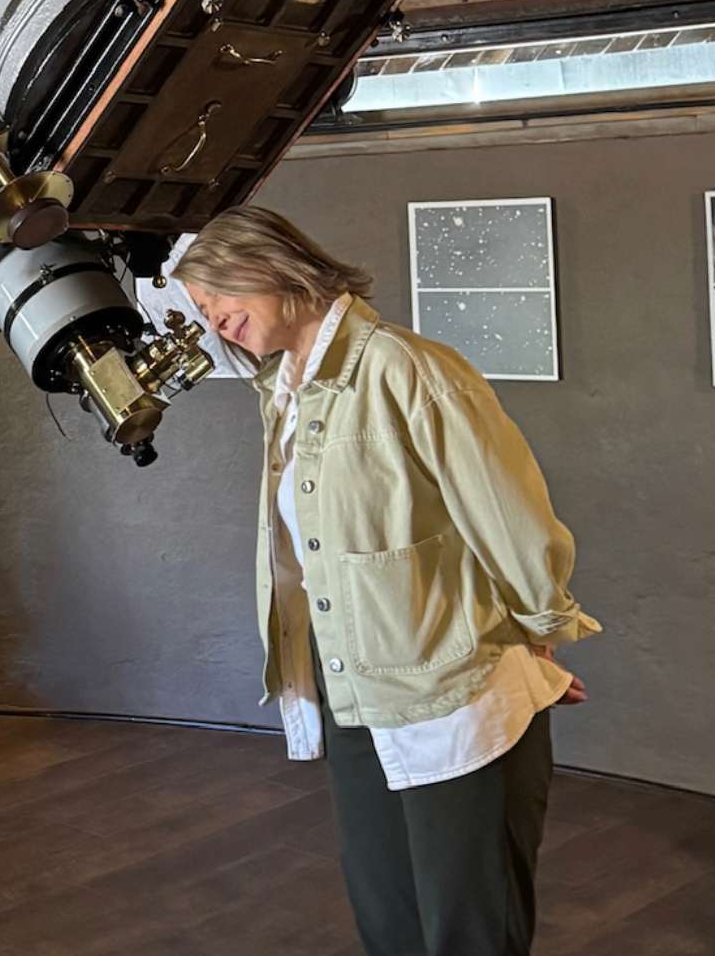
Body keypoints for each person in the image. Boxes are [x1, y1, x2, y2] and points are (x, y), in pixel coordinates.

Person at [171, 205, 599, 956]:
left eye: (216, 302)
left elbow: (509, 517)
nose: (212, 323)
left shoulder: (411, 368)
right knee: (388, 922)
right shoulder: (286, 390)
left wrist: (543, 631)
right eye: (203, 312)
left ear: (265, 269)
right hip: (352, 695)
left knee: (470, 927)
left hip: (455, 702)